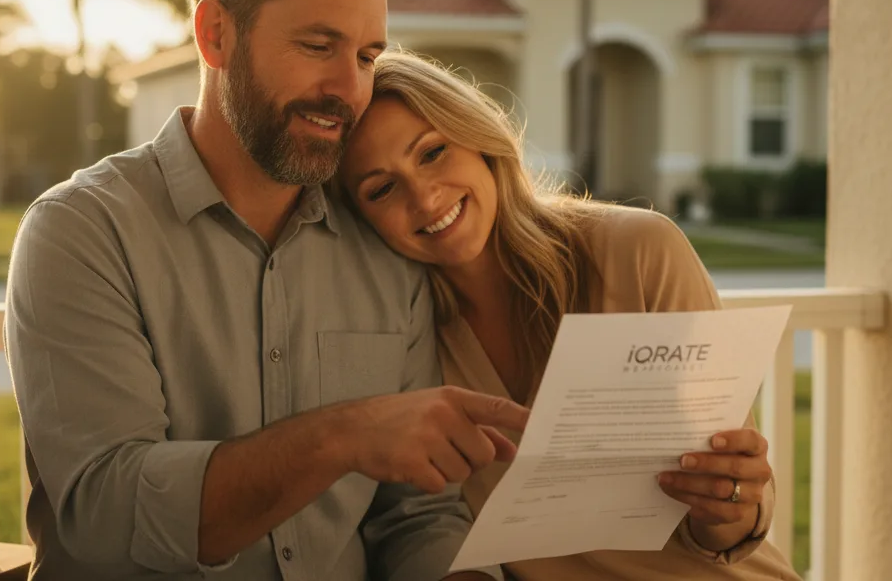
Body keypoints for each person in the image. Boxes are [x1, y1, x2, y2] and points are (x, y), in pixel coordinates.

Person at [3, 0, 529, 580]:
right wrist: (341, 437)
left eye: (365, 56)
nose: (348, 89)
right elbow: (106, 517)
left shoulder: (383, 239)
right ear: (216, 35)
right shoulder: (81, 234)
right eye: (317, 46)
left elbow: (416, 516)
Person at [336, 50, 803, 580]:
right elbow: (420, 523)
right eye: (381, 188)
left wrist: (729, 505)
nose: (424, 198)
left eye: (433, 153)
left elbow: (729, 519)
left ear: (478, 138)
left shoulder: (640, 251)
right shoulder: (403, 339)